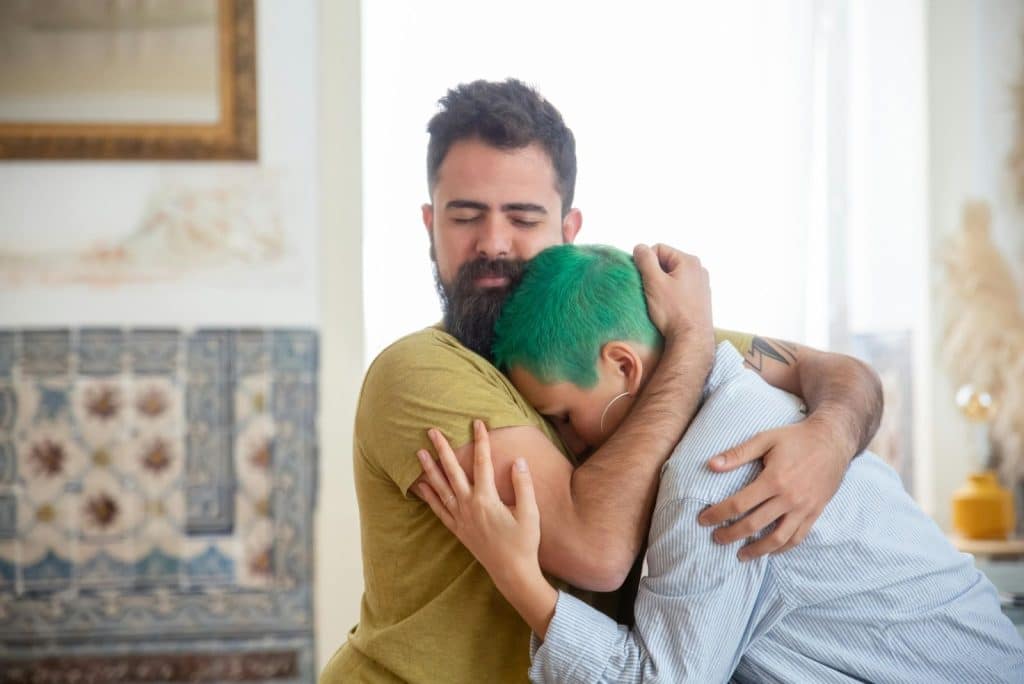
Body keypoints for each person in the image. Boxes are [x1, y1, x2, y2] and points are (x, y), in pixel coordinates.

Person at [320, 79, 884, 683]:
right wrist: (691, 343)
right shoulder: (418, 370)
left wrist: (829, 437)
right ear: (430, 224)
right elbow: (597, 550)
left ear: (568, 228)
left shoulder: (605, 340)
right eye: (465, 216)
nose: (493, 242)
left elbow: (841, 373)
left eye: (522, 216)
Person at [416, 243, 1024, 683]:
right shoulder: (742, 389)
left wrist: (516, 574)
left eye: (565, 417)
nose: (565, 446)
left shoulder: (713, 470)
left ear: (624, 366)